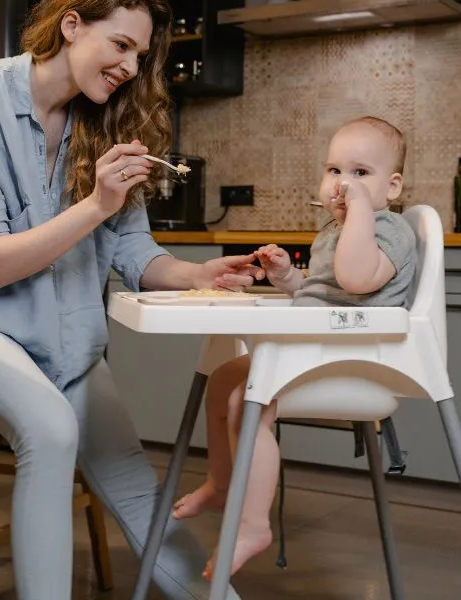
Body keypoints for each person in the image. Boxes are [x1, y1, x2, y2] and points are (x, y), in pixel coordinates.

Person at [0, 0, 262, 599]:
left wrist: (198, 274)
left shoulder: (107, 123)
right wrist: (96, 204)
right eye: (120, 45)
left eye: (140, 56)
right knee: (51, 427)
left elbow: (135, 254)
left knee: (135, 484)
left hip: (62, 331)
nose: (130, 68)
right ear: (70, 25)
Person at [171, 116, 418, 579]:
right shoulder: (333, 231)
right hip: (320, 347)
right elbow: (325, 291)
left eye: (361, 174)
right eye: (334, 171)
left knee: (245, 401)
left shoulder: (390, 230)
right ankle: (222, 485)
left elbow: (356, 278)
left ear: (393, 187)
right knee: (223, 377)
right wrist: (289, 278)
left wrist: (361, 212)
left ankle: (252, 524)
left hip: (357, 360)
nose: (344, 184)